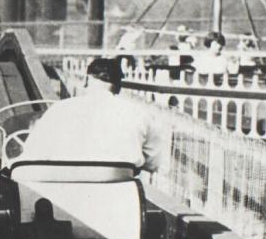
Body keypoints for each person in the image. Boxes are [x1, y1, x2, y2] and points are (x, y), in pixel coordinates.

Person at [16, 57, 165, 174]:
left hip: (65, 188)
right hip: (118, 189)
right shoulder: (139, 114)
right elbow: (155, 162)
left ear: (87, 80)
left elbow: (33, 151)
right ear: (118, 87)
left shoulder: (59, 109)